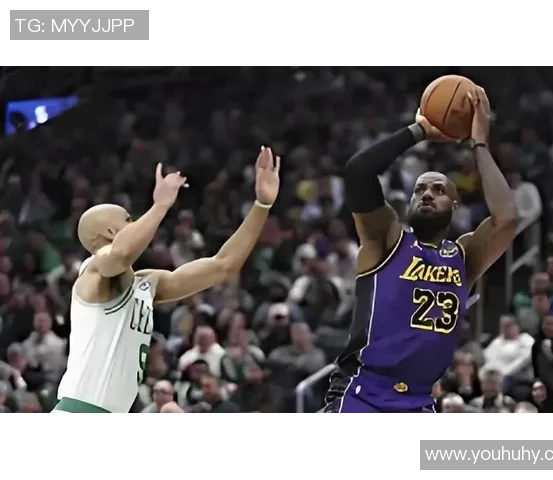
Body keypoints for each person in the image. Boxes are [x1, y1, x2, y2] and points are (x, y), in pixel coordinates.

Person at [324, 87, 517, 413]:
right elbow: (358, 172)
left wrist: (480, 144)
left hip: (419, 399)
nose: (427, 194)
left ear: (454, 205)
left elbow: (507, 218)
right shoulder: (387, 239)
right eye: (419, 189)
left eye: (438, 189)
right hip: (363, 390)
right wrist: (420, 130)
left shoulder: (464, 257)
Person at [52, 147, 280, 413]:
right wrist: (160, 206)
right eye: (129, 219)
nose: (137, 223)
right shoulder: (92, 271)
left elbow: (223, 266)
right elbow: (119, 254)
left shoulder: (145, 284)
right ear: (111, 231)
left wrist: (262, 205)